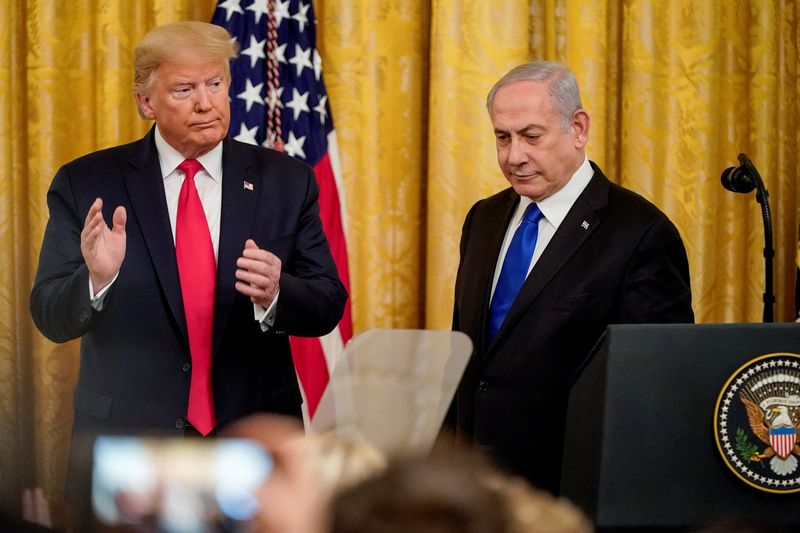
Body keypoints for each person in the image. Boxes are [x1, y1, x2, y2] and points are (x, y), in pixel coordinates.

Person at [29, 20, 347, 511]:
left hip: (253, 440)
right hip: (133, 447)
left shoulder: (287, 182)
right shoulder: (87, 182)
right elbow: (49, 315)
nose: (207, 102)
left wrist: (276, 293)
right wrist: (95, 279)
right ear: (146, 103)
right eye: (184, 89)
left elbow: (328, 302)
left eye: (216, 83)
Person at [450, 61, 693, 494]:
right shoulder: (483, 218)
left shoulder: (639, 232)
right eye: (502, 138)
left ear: (577, 128)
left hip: (570, 487)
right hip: (475, 487)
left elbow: (653, 386)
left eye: (531, 136)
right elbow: (470, 356)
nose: (513, 156)